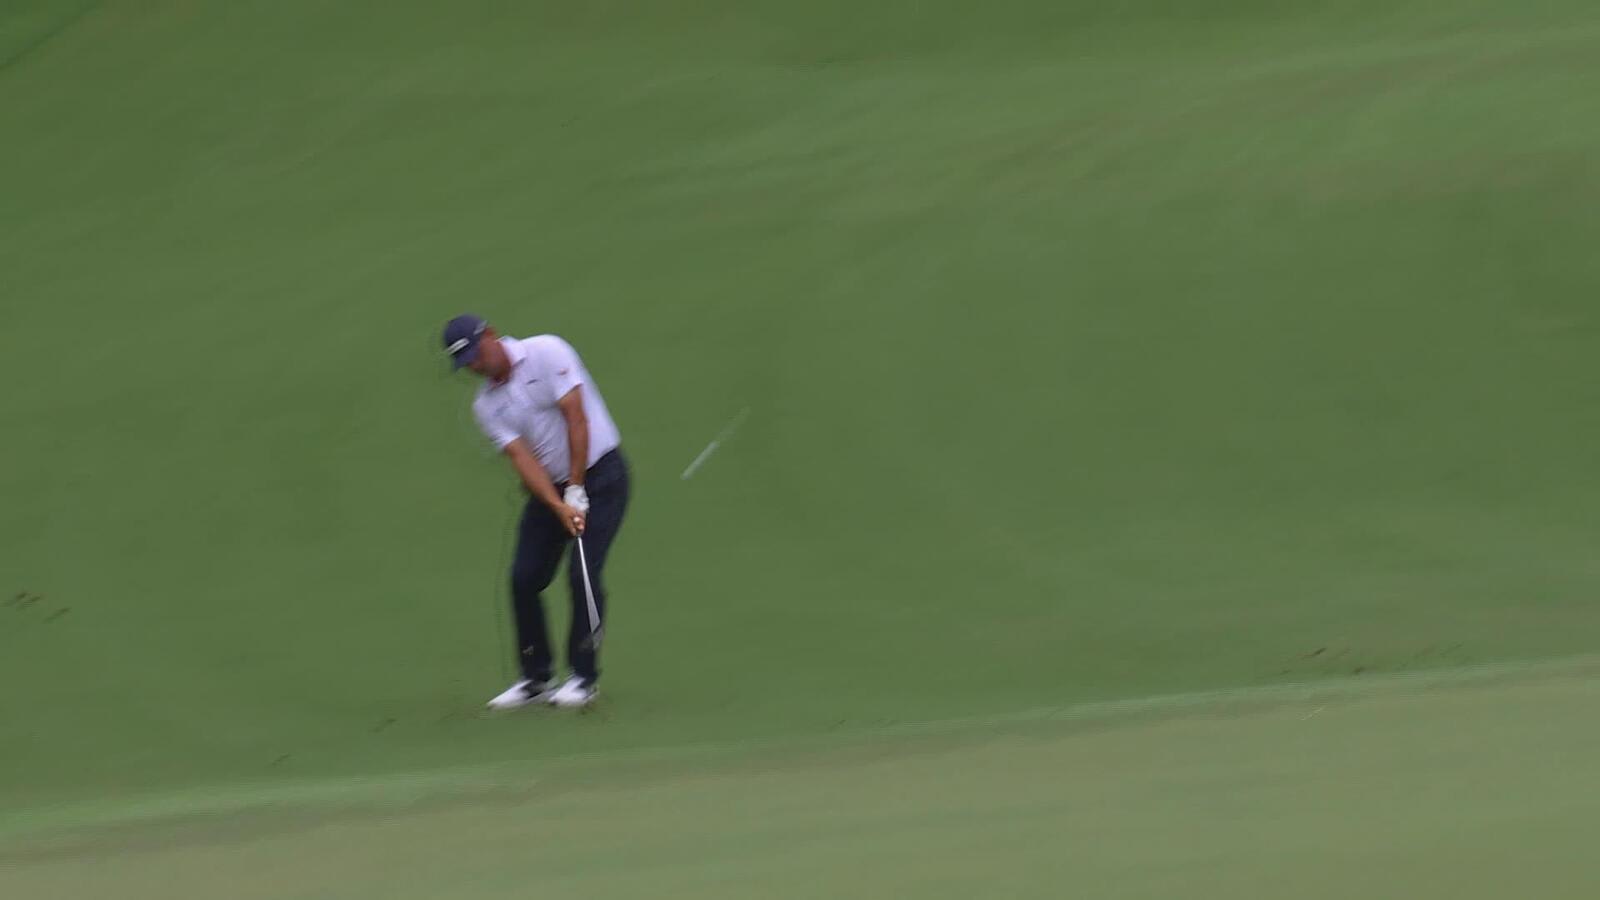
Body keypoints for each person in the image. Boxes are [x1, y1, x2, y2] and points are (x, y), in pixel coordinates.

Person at [442, 314, 630, 709]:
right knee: (523, 579)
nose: (476, 366)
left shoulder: (547, 352)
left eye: (477, 354)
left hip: (602, 476)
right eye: (468, 364)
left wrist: (577, 489)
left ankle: (584, 678)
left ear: (490, 334)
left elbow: (576, 419)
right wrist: (557, 504)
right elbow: (522, 459)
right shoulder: (486, 405)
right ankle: (536, 678)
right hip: (552, 490)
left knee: (582, 573)